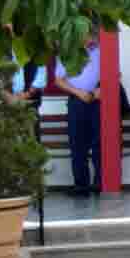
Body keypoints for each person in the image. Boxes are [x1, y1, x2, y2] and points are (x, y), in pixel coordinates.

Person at [53, 37, 102, 195]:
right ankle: (81, 186)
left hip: (99, 101)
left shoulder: (102, 50)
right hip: (77, 101)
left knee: (100, 144)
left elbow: (116, 74)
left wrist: (100, 90)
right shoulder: (67, 51)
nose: (90, 36)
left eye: (92, 32)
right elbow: (58, 80)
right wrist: (79, 93)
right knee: (78, 145)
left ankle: (100, 184)